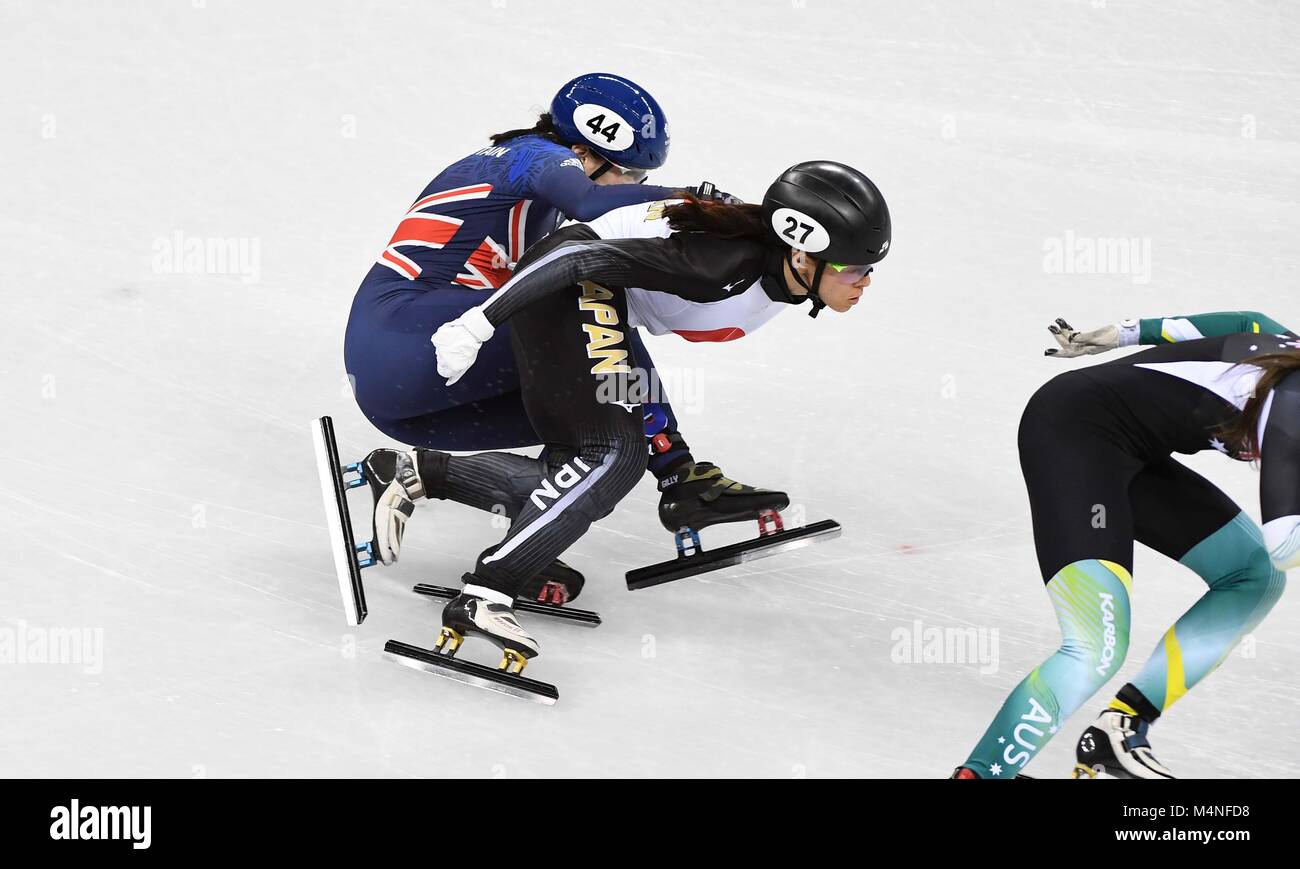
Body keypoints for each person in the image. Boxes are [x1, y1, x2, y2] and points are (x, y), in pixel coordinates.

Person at [412, 160, 891, 673]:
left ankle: (419, 474)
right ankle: (485, 595)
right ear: (802, 251)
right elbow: (577, 256)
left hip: (607, 303)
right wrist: (478, 323)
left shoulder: (781, 274)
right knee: (613, 454)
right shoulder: (724, 265)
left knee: (571, 476)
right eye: (855, 268)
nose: (865, 282)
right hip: (567, 279)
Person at [342, 72, 779, 603]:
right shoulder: (531, 156)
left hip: (407, 388)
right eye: (633, 173)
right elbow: (596, 204)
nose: (634, 184)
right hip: (407, 334)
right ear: (584, 150)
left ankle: (422, 480)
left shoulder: (538, 188)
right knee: (589, 300)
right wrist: (696, 198)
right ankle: (682, 476)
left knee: (596, 442)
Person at [954, 310, 1297, 778]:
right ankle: (983, 774)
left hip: (1131, 448)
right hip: (1073, 432)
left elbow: (1245, 320)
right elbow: (1287, 543)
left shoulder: (1283, 349)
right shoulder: (1293, 404)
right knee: (1095, 648)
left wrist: (1123, 334)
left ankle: (1119, 728)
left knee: (1253, 575)